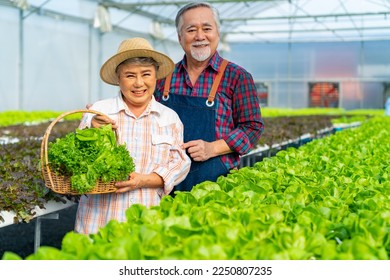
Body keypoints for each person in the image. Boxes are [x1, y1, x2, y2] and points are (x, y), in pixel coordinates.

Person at [75, 37, 191, 234]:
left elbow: (179, 164)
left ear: (156, 77)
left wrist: (143, 180)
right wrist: (92, 131)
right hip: (98, 224)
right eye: (130, 76)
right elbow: (77, 160)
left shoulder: (169, 118)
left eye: (146, 74)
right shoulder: (99, 111)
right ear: (118, 78)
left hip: (147, 224)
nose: (139, 83)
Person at [154, 2, 264, 194]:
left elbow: (252, 127)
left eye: (207, 28)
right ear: (180, 38)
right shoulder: (163, 77)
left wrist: (212, 148)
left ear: (217, 34)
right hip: (165, 184)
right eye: (191, 30)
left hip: (218, 188)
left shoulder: (237, 77)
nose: (199, 36)